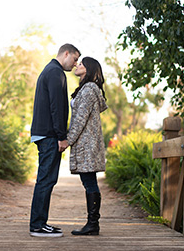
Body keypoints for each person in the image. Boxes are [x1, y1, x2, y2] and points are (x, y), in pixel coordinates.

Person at [29, 43, 81, 238]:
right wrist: (62, 136)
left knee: (47, 179)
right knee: (45, 180)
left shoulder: (51, 70)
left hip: (46, 133)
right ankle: (37, 226)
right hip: (50, 135)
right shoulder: (55, 72)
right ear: (66, 53)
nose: (75, 64)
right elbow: (56, 107)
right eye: (74, 59)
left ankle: (40, 222)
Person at [66, 56, 108, 236]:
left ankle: (93, 224)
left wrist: (68, 140)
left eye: (81, 63)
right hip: (86, 142)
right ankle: (92, 224)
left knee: (89, 182)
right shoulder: (87, 89)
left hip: (87, 143)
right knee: (89, 181)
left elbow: (80, 118)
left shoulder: (90, 89)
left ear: (88, 69)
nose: (77, 65)